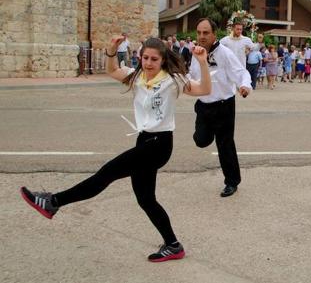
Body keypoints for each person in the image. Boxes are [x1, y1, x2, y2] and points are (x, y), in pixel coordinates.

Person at [20, 35, 212, 262]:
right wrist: (111, 50)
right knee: (146, 200)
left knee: (105, 174)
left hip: (159, 144)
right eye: (145, 58)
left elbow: (204, 90)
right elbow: (112, 70)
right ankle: (173, 245)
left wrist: (202, 62)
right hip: (144, 141)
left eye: (154, 59)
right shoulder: (138, 77)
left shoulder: (172, 80)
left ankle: (52, 202)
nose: (148, 63)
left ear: (162, 61)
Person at [191, 18, 252, 198]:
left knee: (225, 144)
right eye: (199, 32)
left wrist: (244, 86)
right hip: (203, 105)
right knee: (201, 140)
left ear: (214, 34)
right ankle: (206, 133)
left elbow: (241, 72)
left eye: (206, 33)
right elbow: (192, 75)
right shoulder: (195, 53)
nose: (201, 36)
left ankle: (232, 182)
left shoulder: (224, 53)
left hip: (224, 105)